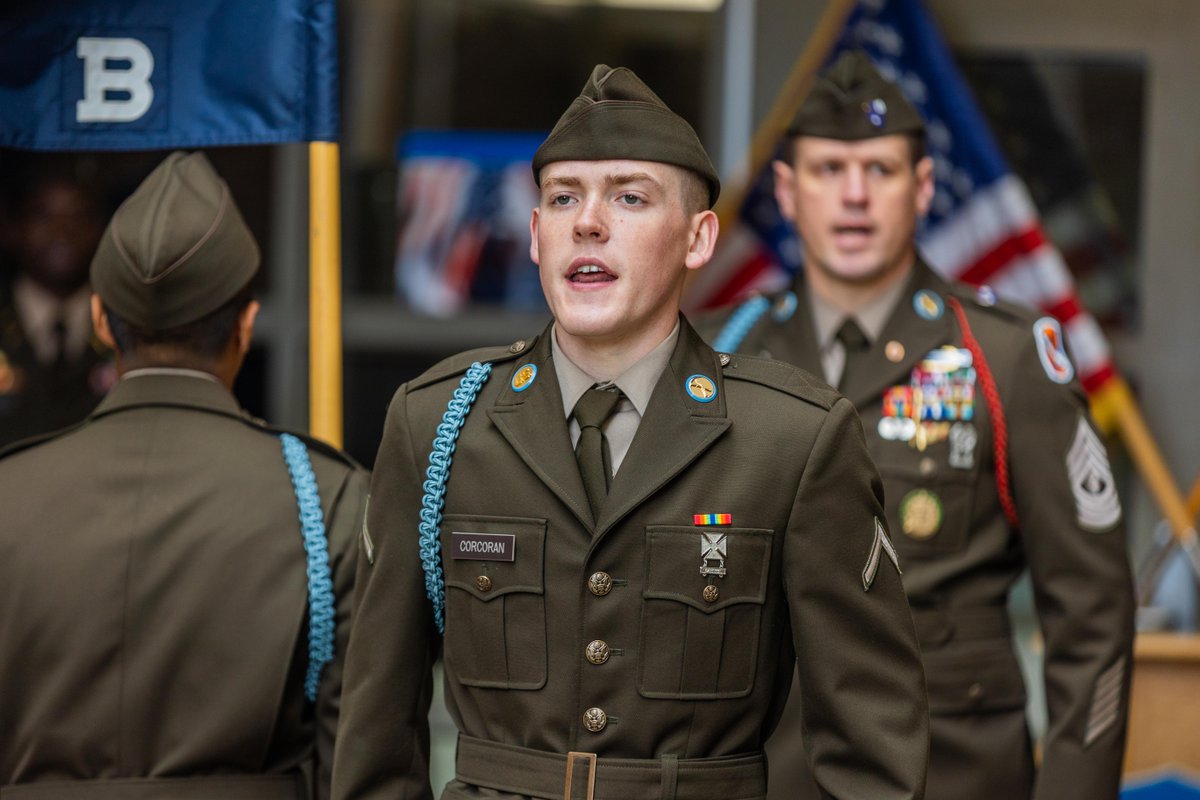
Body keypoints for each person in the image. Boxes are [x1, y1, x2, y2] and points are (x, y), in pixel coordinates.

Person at [332, 64, 928, 800]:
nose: (588, 221)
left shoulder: (793, 439)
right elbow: (374, 730)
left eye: (630, 197)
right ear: (534, 234)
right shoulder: (437, 424)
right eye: (563, 198)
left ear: (699, 238)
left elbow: (871, 749)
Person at [702, 51, 1136, 800]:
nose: (854, 197)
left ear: (924, 187)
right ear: (787, 191)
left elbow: (1092, 611)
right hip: (768, 775)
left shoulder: (1004, 355)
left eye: (880, 171)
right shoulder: (725, 354)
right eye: (828, 170)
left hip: (957, 771)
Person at [0, 151, 369, 799]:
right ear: (247, 327)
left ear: (98, 319)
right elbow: (359, 765)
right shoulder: (325, 497)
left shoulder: (11, 490)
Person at [0, 168, 115, 448]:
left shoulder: (125, 322)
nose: (62, 231)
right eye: (43, 215)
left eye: (80, 216)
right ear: (12, 227)